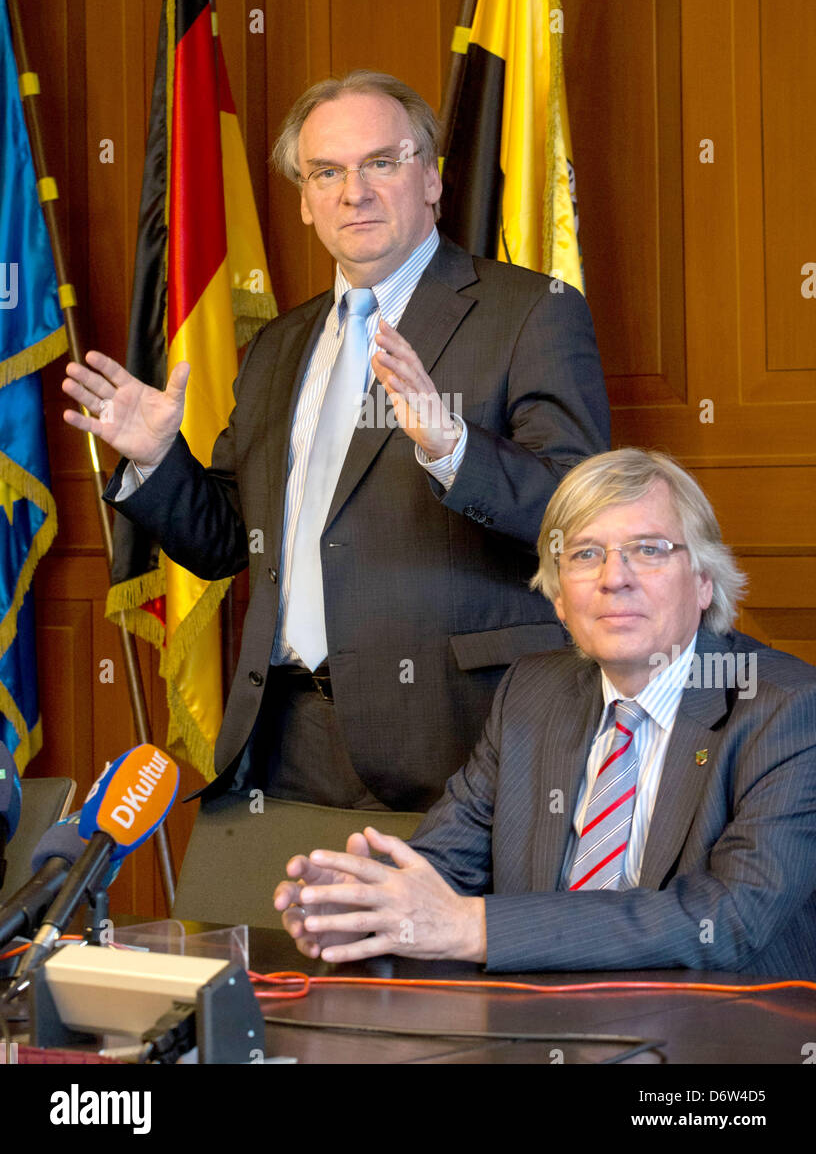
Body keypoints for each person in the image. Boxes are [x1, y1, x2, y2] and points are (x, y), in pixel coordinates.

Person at [62, 70, 609, 811]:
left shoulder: (529, 313)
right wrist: (158, 460)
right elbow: (228, 541)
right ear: (305, 200)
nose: (354, 192)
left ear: (431, 180)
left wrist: (453, 448)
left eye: (381, 162)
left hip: (457, 742)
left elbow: (581, 520)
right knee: (263, 933)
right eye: (327, 171)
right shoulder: (277, 348)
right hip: (282, 738)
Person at [275, 448, 816, 976]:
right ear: (558, 599)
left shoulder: (787, 709)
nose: (614, 577)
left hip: (724, 1027)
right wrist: (368, 908)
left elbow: (728, 918)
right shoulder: (531, 692)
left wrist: (475, 926)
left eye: (648, 550)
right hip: (535, 1024)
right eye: (585, 554)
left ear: (704, 581)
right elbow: (448, 861)